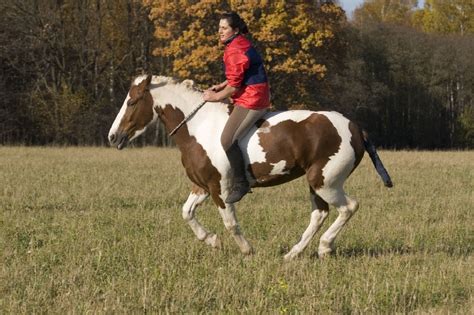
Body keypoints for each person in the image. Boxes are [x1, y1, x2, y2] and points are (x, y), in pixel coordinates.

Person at [203, 12, 271, 204]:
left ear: (235, 30)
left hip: (252, 99)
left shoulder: (235, 50)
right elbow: (237, 77)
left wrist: (214, 96)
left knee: (226, 140)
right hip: (253, 93)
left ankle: (241, 183)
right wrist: (222, 85)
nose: (220, 32)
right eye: (219, 28)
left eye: (224, 28)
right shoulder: (238, 43)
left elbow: (235, 86)